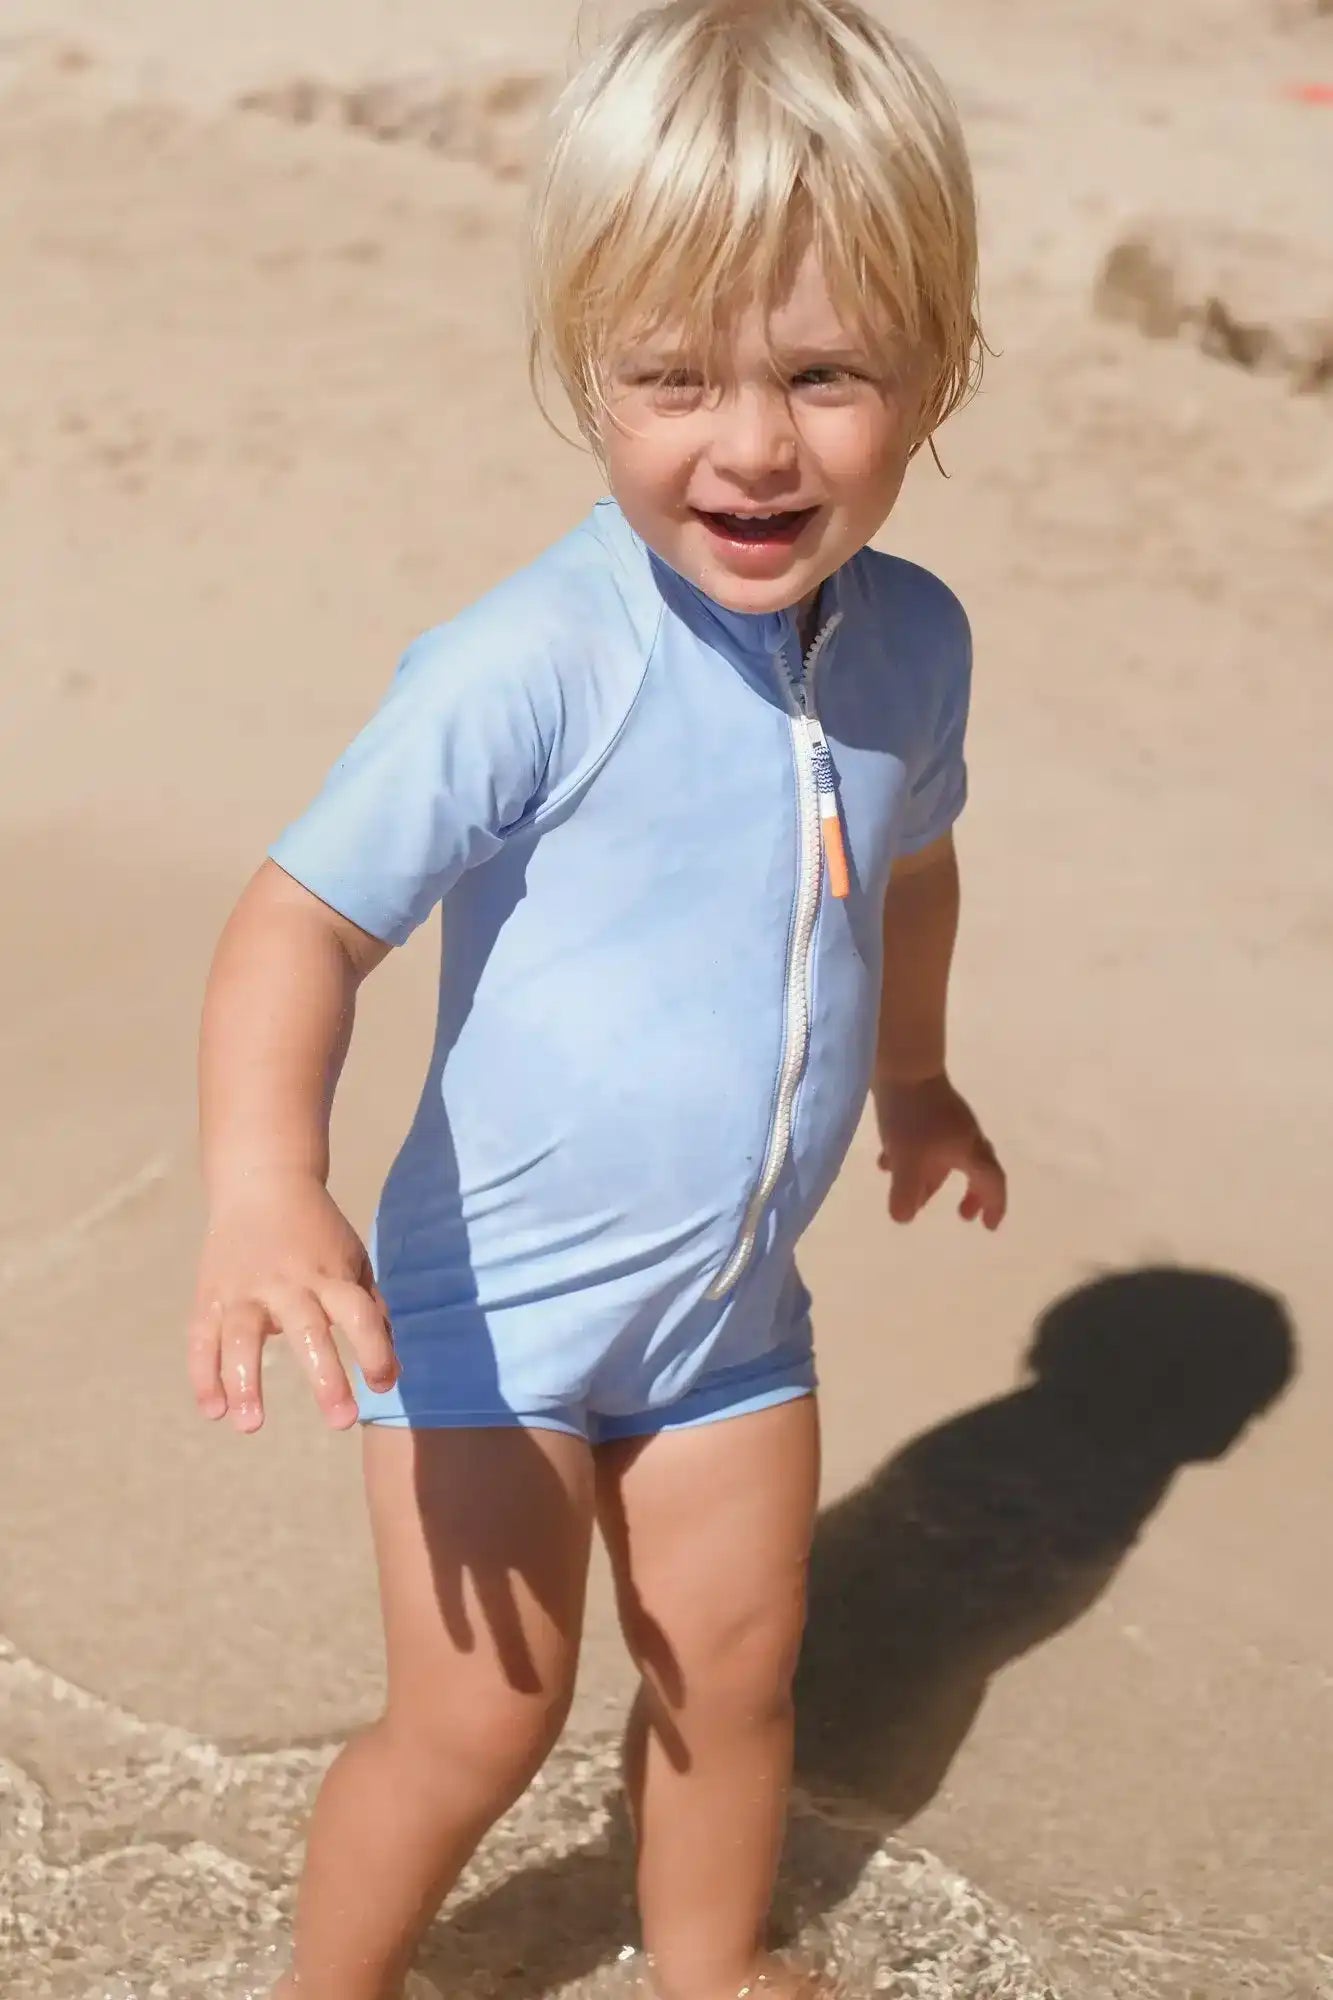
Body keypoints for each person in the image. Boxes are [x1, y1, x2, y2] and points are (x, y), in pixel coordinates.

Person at [187, 2, 1008, 1994]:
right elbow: (300, 919)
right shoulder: (533, 660)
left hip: (728, 1311)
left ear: (935, 367)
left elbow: (906, 869)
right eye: (672, 377)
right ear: (584, 368)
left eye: (823, 375)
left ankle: (705, 1963)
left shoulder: (910, 646)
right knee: (481, 1720)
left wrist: (915, 1075)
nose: (752, 444)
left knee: (735, 1670)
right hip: (492, 1311)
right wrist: (264, 1183)